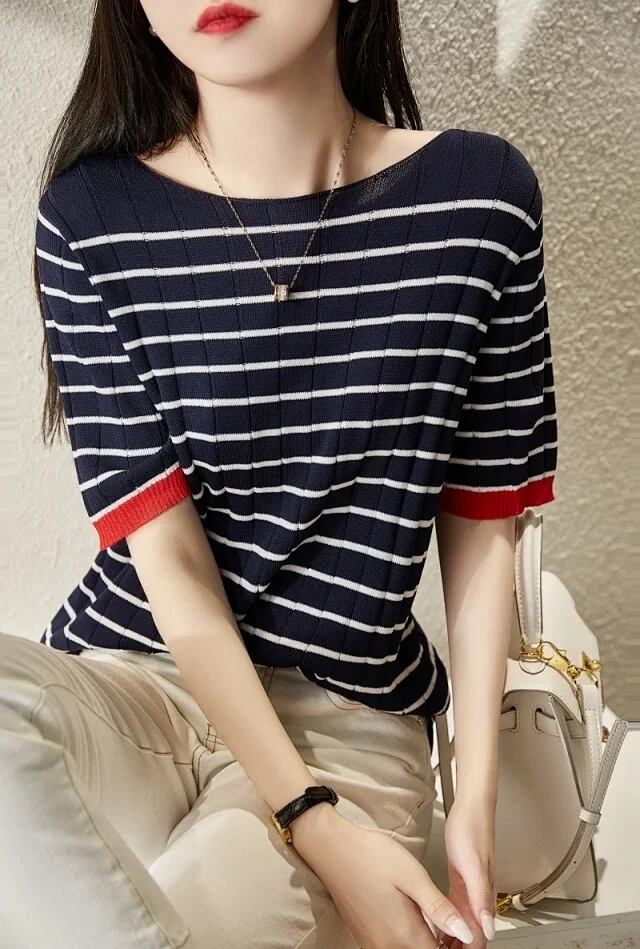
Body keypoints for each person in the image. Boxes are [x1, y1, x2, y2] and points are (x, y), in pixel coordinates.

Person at [1, 0, 558, 947]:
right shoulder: (91, 218)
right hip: (138, 688)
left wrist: (472, 801)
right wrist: (314, 824)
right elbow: (171, 563)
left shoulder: (479, 199)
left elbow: (482, 515)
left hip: (347, 719)